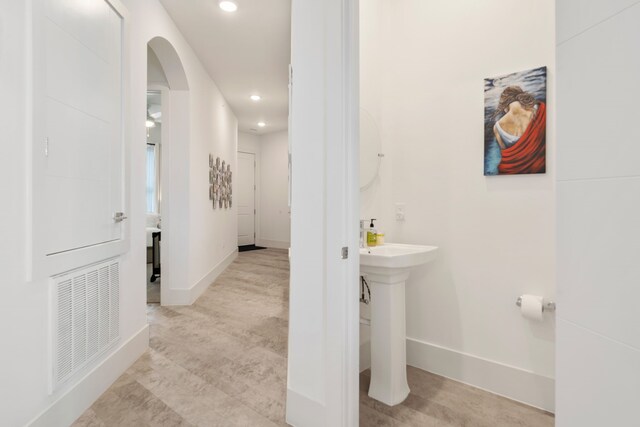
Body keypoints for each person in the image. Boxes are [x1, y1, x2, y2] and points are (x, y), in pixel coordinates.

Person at [492, 86, 546, 174]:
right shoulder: (539, 110)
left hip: (514, 174)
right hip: (541, 168)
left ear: (504, 104)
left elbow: (506, 156)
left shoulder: (497, 127)